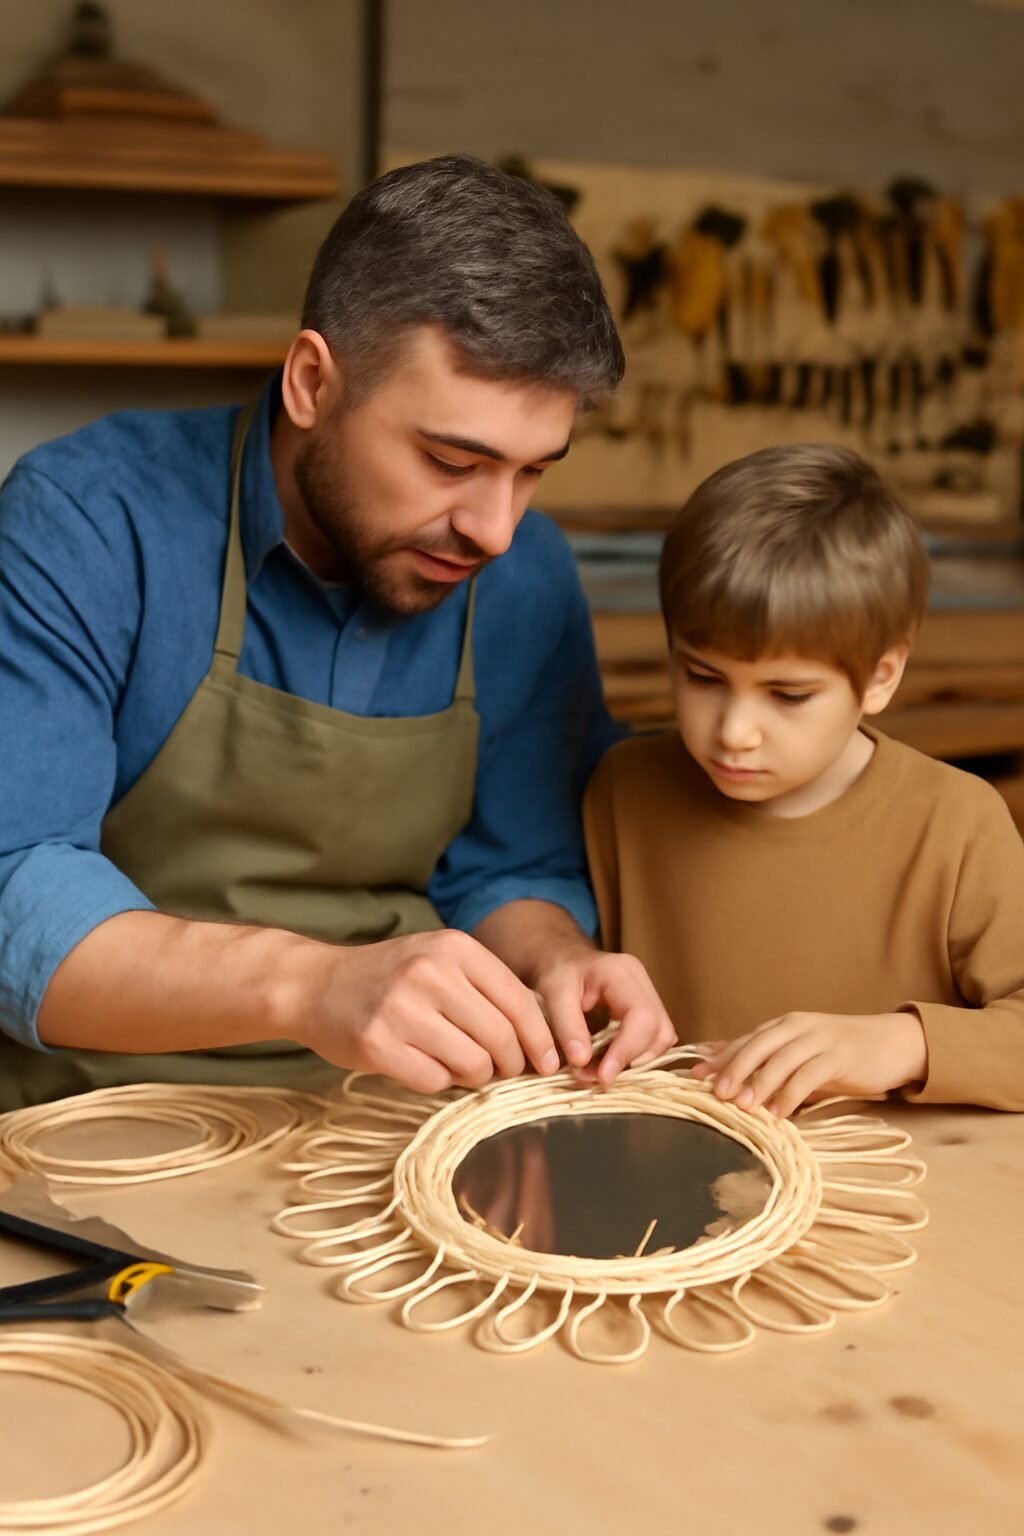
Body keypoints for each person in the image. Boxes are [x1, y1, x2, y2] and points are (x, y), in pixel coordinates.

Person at [0, 154, 675, 1110]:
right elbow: (13, 886)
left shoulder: (527, 580)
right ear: (313, 382)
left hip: (385, 1128)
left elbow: (509, 862)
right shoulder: (91, 522)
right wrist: (311, 986)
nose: (495, 527)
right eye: (451, 460)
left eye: (534, 471)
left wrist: (560, 958)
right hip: (91, 1117)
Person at [583, 443, 1024, 1116]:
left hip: (904, 1203)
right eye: (702, 677)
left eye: (787, 695)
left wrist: (903, 1043)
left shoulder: (957, 823)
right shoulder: (622, 791)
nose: (734, 730)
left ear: (881, 676)